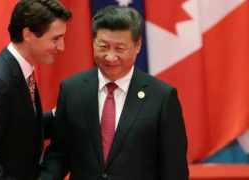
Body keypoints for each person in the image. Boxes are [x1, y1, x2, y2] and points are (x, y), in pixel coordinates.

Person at [39, 5, 189, 180]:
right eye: (103, 46)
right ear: (93, 41)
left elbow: (174, 169)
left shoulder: (162, 97)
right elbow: (60, 153)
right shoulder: (72, 90)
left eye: (120, 49)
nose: (110, 57)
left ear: (137, 45)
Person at [0, 0, 72, 179]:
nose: (62, 47)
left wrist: (55, 115)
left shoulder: (20, 70)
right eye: (55, 39)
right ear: (28, 34)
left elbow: (17, 128)